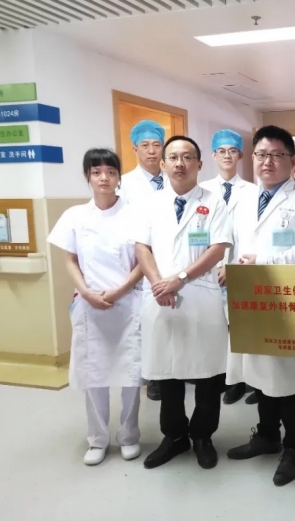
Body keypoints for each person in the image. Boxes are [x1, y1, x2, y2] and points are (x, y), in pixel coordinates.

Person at [226, 125, 295, 487]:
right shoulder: (244, 199)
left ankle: (294, 448)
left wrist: (263, 261)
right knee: (259, 373)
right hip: (252, 299)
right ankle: (267, 436)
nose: (267, 161)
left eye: (276, 155)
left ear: (292, 161)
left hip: (288, 301)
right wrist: (232, 268)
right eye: (261, 154)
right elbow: (236, 244)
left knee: (290, 376)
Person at [133, 135, 232, 471]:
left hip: (200, 297)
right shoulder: (149, 204)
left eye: (187, 157)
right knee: (168, 373)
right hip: (160, 297)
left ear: (199, 165)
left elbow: (217, 249)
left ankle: (203, 437)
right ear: (162, 164)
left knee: (207, 375)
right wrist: (159, 284)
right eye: (173, 157)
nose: (180, 163)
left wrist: (180, 279)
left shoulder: (214, 202)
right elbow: (142, 248)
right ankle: (174, 437)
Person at [47, 148, 144, 466]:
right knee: (94, 375)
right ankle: (97, 440)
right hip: (90, 305)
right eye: (97, 172)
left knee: (130, 375)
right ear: (87, 177)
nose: (104, 178)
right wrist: (86, 292)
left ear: (118, 177)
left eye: (111, 172)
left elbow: (144, 261)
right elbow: (70, 260)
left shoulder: (135, 214)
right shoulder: (75, 215)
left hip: (127, 303)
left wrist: (121, 290)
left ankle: (129, 436)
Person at [199, 129, 258, 406]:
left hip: (241, 268)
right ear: (213, 155)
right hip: (209, 270)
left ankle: (245, 381)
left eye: (232, 151)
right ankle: (224, 378)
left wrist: (234, 267)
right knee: (216, 326)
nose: (227, 156)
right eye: (221, 151)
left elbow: (254, 235)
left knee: (243, 326)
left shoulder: (253, 191)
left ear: (240, 155)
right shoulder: (202, 191)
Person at [119, 119, 167, 402]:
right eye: (145, 145)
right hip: (141, 260)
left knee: (169, 318)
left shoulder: (173, 178)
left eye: (156, 145)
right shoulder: (125, 184)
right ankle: (153, 377)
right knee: (146, 323)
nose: (151, 151)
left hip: (172, 258)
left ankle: (171, 372)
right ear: (135, 149)